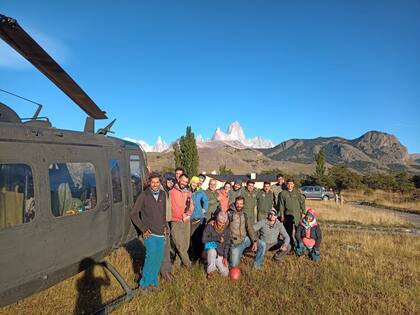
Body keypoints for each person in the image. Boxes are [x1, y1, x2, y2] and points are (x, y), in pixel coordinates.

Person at [129, 173, 168, 289]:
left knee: (158, 257)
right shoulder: (144, 196)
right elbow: (133, 214)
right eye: (153, 182)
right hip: (150, 233)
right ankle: (144, 284)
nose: (155, 184)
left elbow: (163, 213)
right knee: (150, 257)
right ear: (149, 183)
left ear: (160, 183)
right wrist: (143, 229)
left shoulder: (162, 194)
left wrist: (165, 226)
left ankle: (153, 281)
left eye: (157, 182)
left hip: (161, 232)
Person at [170, 173, 194, 268]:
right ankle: (189, 265)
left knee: (185, 245)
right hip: (175, 221)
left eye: (186, 182)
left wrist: (188, 213)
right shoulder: (171, 192)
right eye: (183, 180)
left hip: (186, 221)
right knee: (180, 245)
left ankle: (176, 265)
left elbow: (191, 205)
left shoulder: (188, 192)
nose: (184, 183)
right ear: (179, 179)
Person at [228, 196, 258, 268]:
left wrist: (254, 241)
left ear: (243, 205)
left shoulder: (244, 214)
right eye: (237, 203)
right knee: (234, 266)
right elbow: (223, 227)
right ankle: (233, 254)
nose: (239, 205)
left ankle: (257, 264)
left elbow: (250, 228)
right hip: (234, 243)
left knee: (262, 244)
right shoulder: (230, 213)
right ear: (235, 203)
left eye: (241, 204)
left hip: (244, 240)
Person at [278, 178, 306, 249]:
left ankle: (299, 246)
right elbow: (281, 205)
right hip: (287, 215)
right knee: (288, 232)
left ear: (293, 185)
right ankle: (291, 246)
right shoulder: (282, 193)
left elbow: (302, 202)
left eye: (291, 184)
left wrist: (303, 213)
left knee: (298, 232)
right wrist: (282, 215)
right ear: (286, 184)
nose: (290, 185)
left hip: (297, 215)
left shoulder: (297, 192)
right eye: (288, 184)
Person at [202, 211, 231, 278]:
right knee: (212, 250)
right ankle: (210, 272)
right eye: (219, 222)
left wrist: (225, 257)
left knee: (225, 274)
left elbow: (227, 244)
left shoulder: (227, 230)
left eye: (223, 223)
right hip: (208, 252)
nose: (221, 224)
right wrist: (217, 238)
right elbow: (204, 240)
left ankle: (214, 265)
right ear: (216, 220)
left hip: (219, 254)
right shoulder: (209, 227)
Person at [159, 172, 176, 281]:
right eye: (169, 180)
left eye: (173, 181)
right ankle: (165, 273)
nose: (171, 183)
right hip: (161, 223)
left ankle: (167, 270)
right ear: (164, 180)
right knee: (164, 249)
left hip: (165, 222)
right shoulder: (160, 192)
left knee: (167, 247)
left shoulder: (166, 191)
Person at [189, 176, 209, 261]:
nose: (194, 184)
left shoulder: (200, 192)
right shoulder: (187, 191)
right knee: (190, 238)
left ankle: (200, 257)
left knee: (198, 238)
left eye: (196, 183)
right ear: (191, 182)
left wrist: (204, 209)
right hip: (189, 217)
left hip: (199, 217)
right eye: (193, 182)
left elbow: (205, 200)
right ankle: (192, 255)